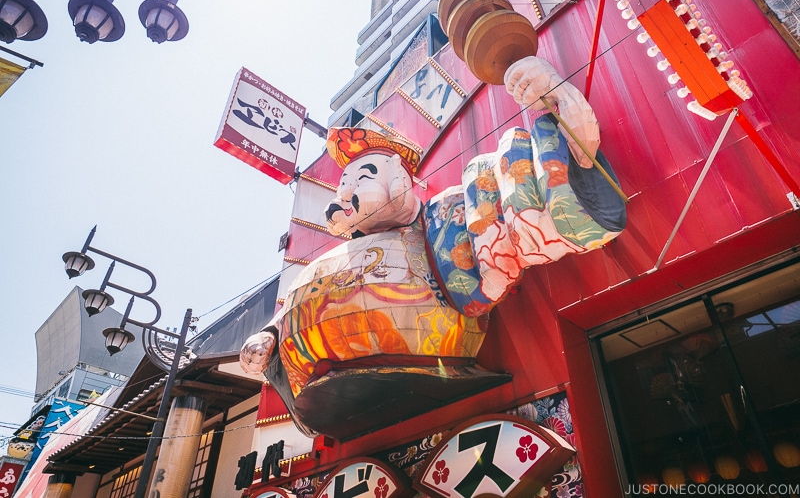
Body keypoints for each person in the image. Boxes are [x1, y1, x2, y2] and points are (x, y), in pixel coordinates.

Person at [240, 56, 626, 436]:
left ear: (399, 182)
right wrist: (269, 335)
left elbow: (533, 202)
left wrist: (561, 104)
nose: (346, 192)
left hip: (431, 366)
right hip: (324, 390)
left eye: (362, 178)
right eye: (343, 184)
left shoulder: (445, 223)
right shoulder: (325, 260)